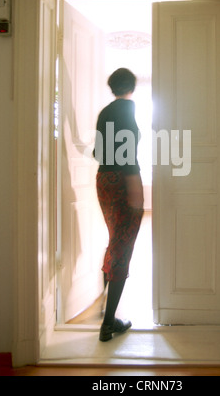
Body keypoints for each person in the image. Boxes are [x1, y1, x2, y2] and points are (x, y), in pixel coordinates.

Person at [94, 68, 144, 342]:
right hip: (123, 180)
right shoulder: (127, 109)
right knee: (122, 247)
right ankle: (107, 324)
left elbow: (97, 152)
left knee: (116, 241)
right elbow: (128, 153)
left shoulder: (105, 112)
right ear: (131, 87)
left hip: (103, 178)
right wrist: (134, 185)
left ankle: (108, 315)